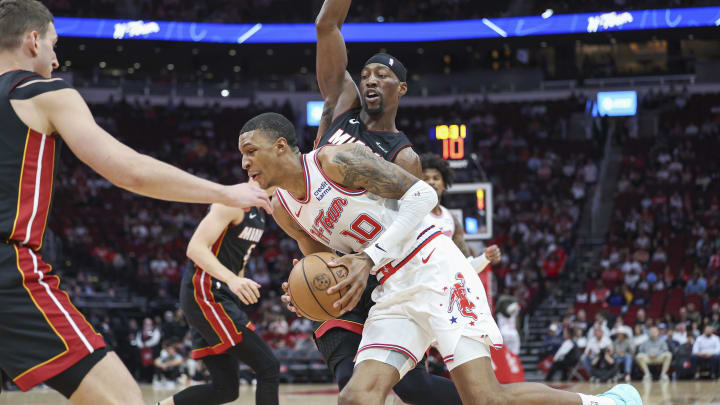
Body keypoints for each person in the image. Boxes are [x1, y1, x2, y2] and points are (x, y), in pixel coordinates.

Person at [239, 113, 642, 405]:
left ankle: (606, 404)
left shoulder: (333, 160)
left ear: (279, 147)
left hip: (435, 267)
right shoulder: (284, 210)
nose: (244, 163)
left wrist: (368, 257)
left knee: (486, 401)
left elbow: (422, 196)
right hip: (392, 290)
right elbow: (330, 266)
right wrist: (308, 293)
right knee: (358, 397)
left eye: (250, 151)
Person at [0, 1, 271, 403]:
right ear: (33, 40)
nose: (56, 60)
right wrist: (224, 192)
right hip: (9, 270)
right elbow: (129, 171)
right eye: (54, 46)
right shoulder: (41, 92)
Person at [309, 1, 499, 403]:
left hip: (374, 273)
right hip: (338, 265)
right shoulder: (342, 105)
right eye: (365, 75)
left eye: (383, 74)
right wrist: (310, 263)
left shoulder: (404, 157)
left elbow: (402, 229)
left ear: (402, 88)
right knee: (358, 387)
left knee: (407, 387)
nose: (370, 80)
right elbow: (327, 26)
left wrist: (361, 262)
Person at [156, 199, 279, 405]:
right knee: (268, 367)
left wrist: (240, 283)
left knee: (226, 390)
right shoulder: (233, 202)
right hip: (206, 293)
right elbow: (195, 248)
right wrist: (232, 279)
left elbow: (238, 260)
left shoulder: (260, 215)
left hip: (220, 296)